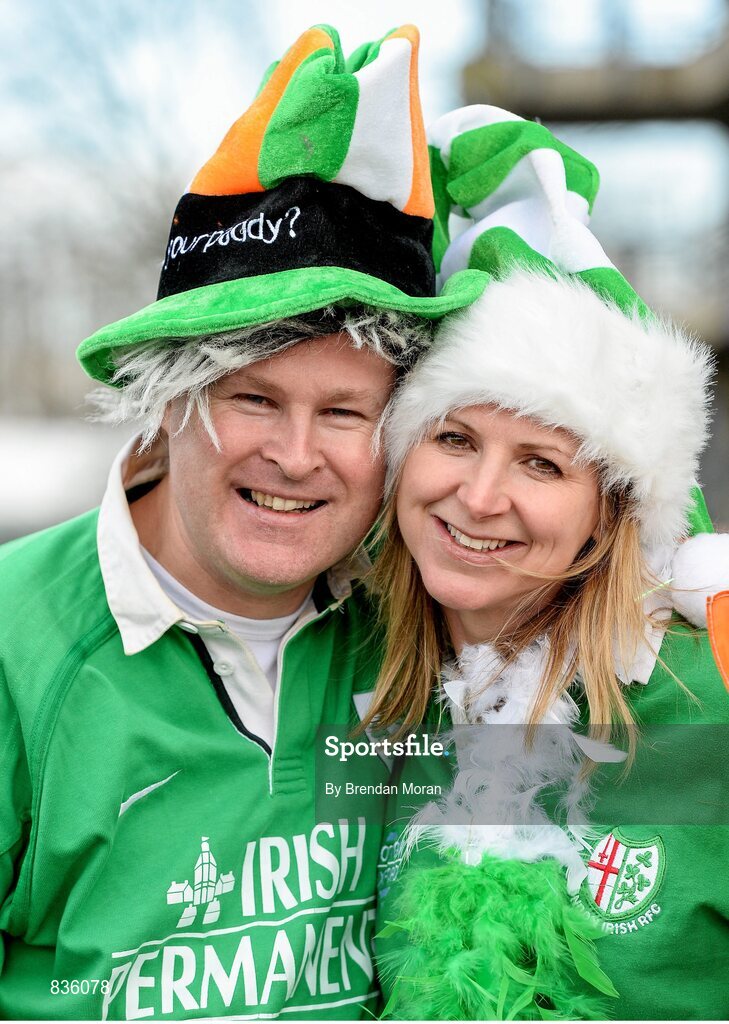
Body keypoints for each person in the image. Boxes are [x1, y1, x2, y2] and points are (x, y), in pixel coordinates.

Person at [0, 27, 486, 1021]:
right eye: (254, 399)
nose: (298, 455)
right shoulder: (18, 643)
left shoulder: (437, 619)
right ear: (170, 402)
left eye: (345, 413)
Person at [365, 106, 729, 1020]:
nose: (480, 498)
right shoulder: (358, 684)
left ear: (609, 516)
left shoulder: (708, 695)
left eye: (541, 463)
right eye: (453, 437)